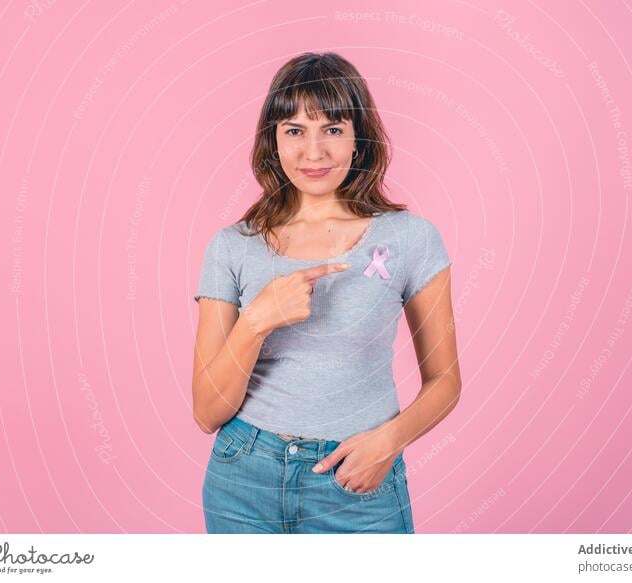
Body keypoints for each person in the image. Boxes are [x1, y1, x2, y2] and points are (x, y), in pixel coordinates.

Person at [191, 51, 461, 534]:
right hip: (244, 480)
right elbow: (207, 412)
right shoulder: (231, 247)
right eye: (294, 130)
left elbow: (445, 381)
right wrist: (256, 322)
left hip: (357, 480)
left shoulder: (410, 239)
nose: (313, 152)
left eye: (332, 129)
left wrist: (388, 442)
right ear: (272, 141)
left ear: (359, 140)